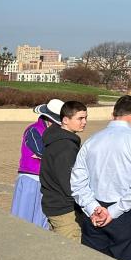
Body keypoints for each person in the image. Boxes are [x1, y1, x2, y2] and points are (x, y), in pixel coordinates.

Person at [70, 95, 131, 260]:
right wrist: (113, 211)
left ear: (114, 114)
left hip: (94, 211)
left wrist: (93, 207)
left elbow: (77, 182)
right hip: (124, 213)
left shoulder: (92, 140)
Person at [40, 100, 88, 241]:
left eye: (85, 118)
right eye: (80, 118)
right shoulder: (66, 148)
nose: (84, 122)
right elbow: (70, 184)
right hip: (65, 212)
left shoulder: (56, 139)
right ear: (65, 120)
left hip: (54, 207)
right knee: (69, 257)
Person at [11, 98, 63, 229]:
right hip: (30, 179)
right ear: (48, 118)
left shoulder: (56, 133)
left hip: (46, 181)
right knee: (22, 219)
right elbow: (43, 152)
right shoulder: (34, 130)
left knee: (41, 222)